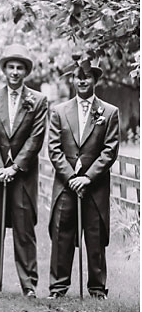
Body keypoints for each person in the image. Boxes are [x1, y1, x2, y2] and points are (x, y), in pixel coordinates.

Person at [0, 44, 47, 297]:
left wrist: (15, 168)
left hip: (23, 176)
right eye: (11, 67)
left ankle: (29, 284)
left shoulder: (38, 100)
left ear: (26, 72)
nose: (15, 72)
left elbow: (35, 138)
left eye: (20, 68)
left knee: (24, 230)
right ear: (4, 69)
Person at [47, 55, 119, 299]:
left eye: (87, 76)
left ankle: (97, 289)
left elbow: (110, 151)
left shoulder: (109, 113)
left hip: (94, 186)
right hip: (66, 185)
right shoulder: (58, 112)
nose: (82, 81)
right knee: (62, 235)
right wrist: (71, 178)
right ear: (73, 80)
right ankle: (58, 287)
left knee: (95, 237)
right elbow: (54, 149)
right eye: (78, 77)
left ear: (95, 79)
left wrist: (87, 177)